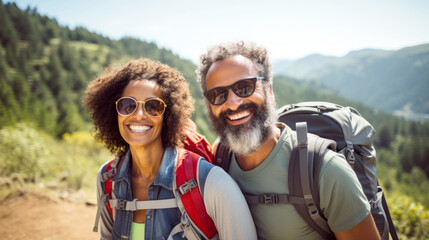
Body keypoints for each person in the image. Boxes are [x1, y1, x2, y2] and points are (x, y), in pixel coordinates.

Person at [195, 41, 381, 240]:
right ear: (209, 106)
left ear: (269, 90)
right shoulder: (218, 159)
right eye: (218, 94)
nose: (232, 103)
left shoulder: (326, 171)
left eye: (244, 87)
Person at [83, 58, 257, 240]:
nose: (139, 114)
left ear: (167, 116)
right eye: (128, 105)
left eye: (153, 106)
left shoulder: (212, 183)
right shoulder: (107, 179)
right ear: (115, 113)